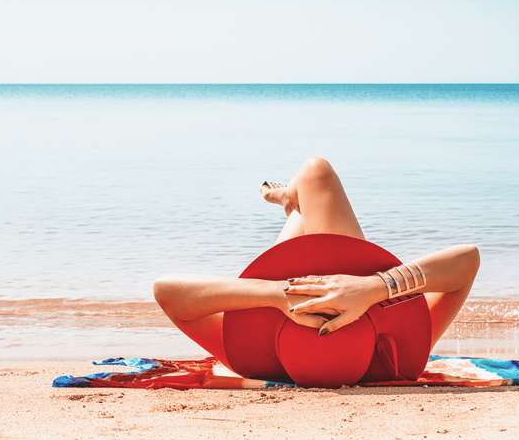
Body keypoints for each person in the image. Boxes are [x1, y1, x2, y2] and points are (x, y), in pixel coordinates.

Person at [153, 157, 480, 372]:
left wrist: (280, 294)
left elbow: (167, 291)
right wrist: (371, 288)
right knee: (316, 174)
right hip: (349, 280)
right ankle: (295, 202)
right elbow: (467, 261)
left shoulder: (254, 364)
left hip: (288, 292)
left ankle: (293, 202)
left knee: (315, 174)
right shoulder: (397, 362)